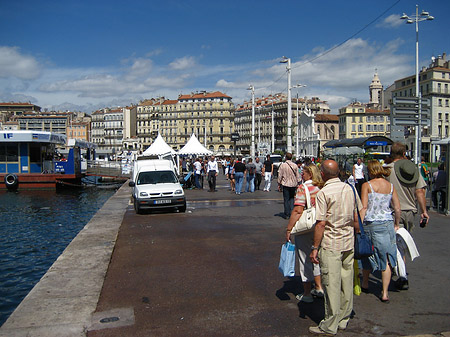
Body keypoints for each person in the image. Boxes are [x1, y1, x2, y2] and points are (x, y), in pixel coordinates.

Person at [309, 159, 362, 335]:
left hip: (331, 242)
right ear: (338, 172)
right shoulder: (350, 189)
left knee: (331, 283)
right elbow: (357, 216)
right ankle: (344, 318)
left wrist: (315, 247)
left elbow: (321, 223)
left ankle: (330, 323)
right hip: (348, 241)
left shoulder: (324, 193)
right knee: (346, 281)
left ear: (322, 174)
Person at [384, 142, 428, 290]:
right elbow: (420, 191)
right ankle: (401, 273)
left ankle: (402, 276)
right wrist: (424, 211)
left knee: (396, 244)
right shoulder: (413, 169)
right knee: (402, 243)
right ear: (404, 154)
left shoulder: (387, 171)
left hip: (393, 211)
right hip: (411, 211)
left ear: (392, 154)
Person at [359, 160, 401, 303]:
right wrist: (396, 224)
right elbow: (397, 208)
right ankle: (384, 292)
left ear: (370, 171)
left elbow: (364, 207)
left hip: (370, 223)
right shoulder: (390, 186)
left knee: (366, 253)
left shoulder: (367, 185)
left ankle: (365, 283)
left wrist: (359, 226)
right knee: (386, 258)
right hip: (387, 223)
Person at [285, 164, 324, 303]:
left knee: (304, 258)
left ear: (310, 174)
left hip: (307, 227)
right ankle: (319, 286)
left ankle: (307, 292)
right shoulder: (322, 187)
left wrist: (289, 228)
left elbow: (297, 210)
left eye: (304, 172)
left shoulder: (303, 188)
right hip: (321, 224)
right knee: (317, 255)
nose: (302, 174)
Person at [277, 153, 300, 219]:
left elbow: (280, 175)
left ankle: (287, 213)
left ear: (286, 158)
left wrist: (279, 183)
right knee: (292, 198)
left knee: (286, 199)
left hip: (286, 184)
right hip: (293, 184)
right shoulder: (295, 165)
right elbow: (298, 175)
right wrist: (299, 183)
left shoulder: (283, 165)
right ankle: (292, 212)